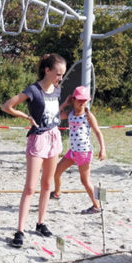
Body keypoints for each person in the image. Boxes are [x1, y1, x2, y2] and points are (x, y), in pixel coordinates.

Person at [1, 53, 66, 248]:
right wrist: (26, 117)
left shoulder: (57, 90)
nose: (60, 78)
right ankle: (20, 230)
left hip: (54, 138)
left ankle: (40, 223)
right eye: (58, 73)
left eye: (62, 74)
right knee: (30, 187)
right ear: (47, 70)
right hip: (38, 139)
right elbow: (7, 106)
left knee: (47, 184)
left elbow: (55, 112)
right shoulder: (33, 90)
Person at [51, 86, 107, 214]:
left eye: (84, 100)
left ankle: (97, 205)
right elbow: (55, 116)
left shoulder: (88, 115)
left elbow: (98, 132)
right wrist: (65, 103)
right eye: (79, 100)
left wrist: (102, 149)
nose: (82, 103)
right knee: (56, 172)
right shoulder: (70, 113)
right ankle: (57, 193)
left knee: (85, 181)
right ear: (73, 100)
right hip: (73, 151)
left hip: (84, 152)